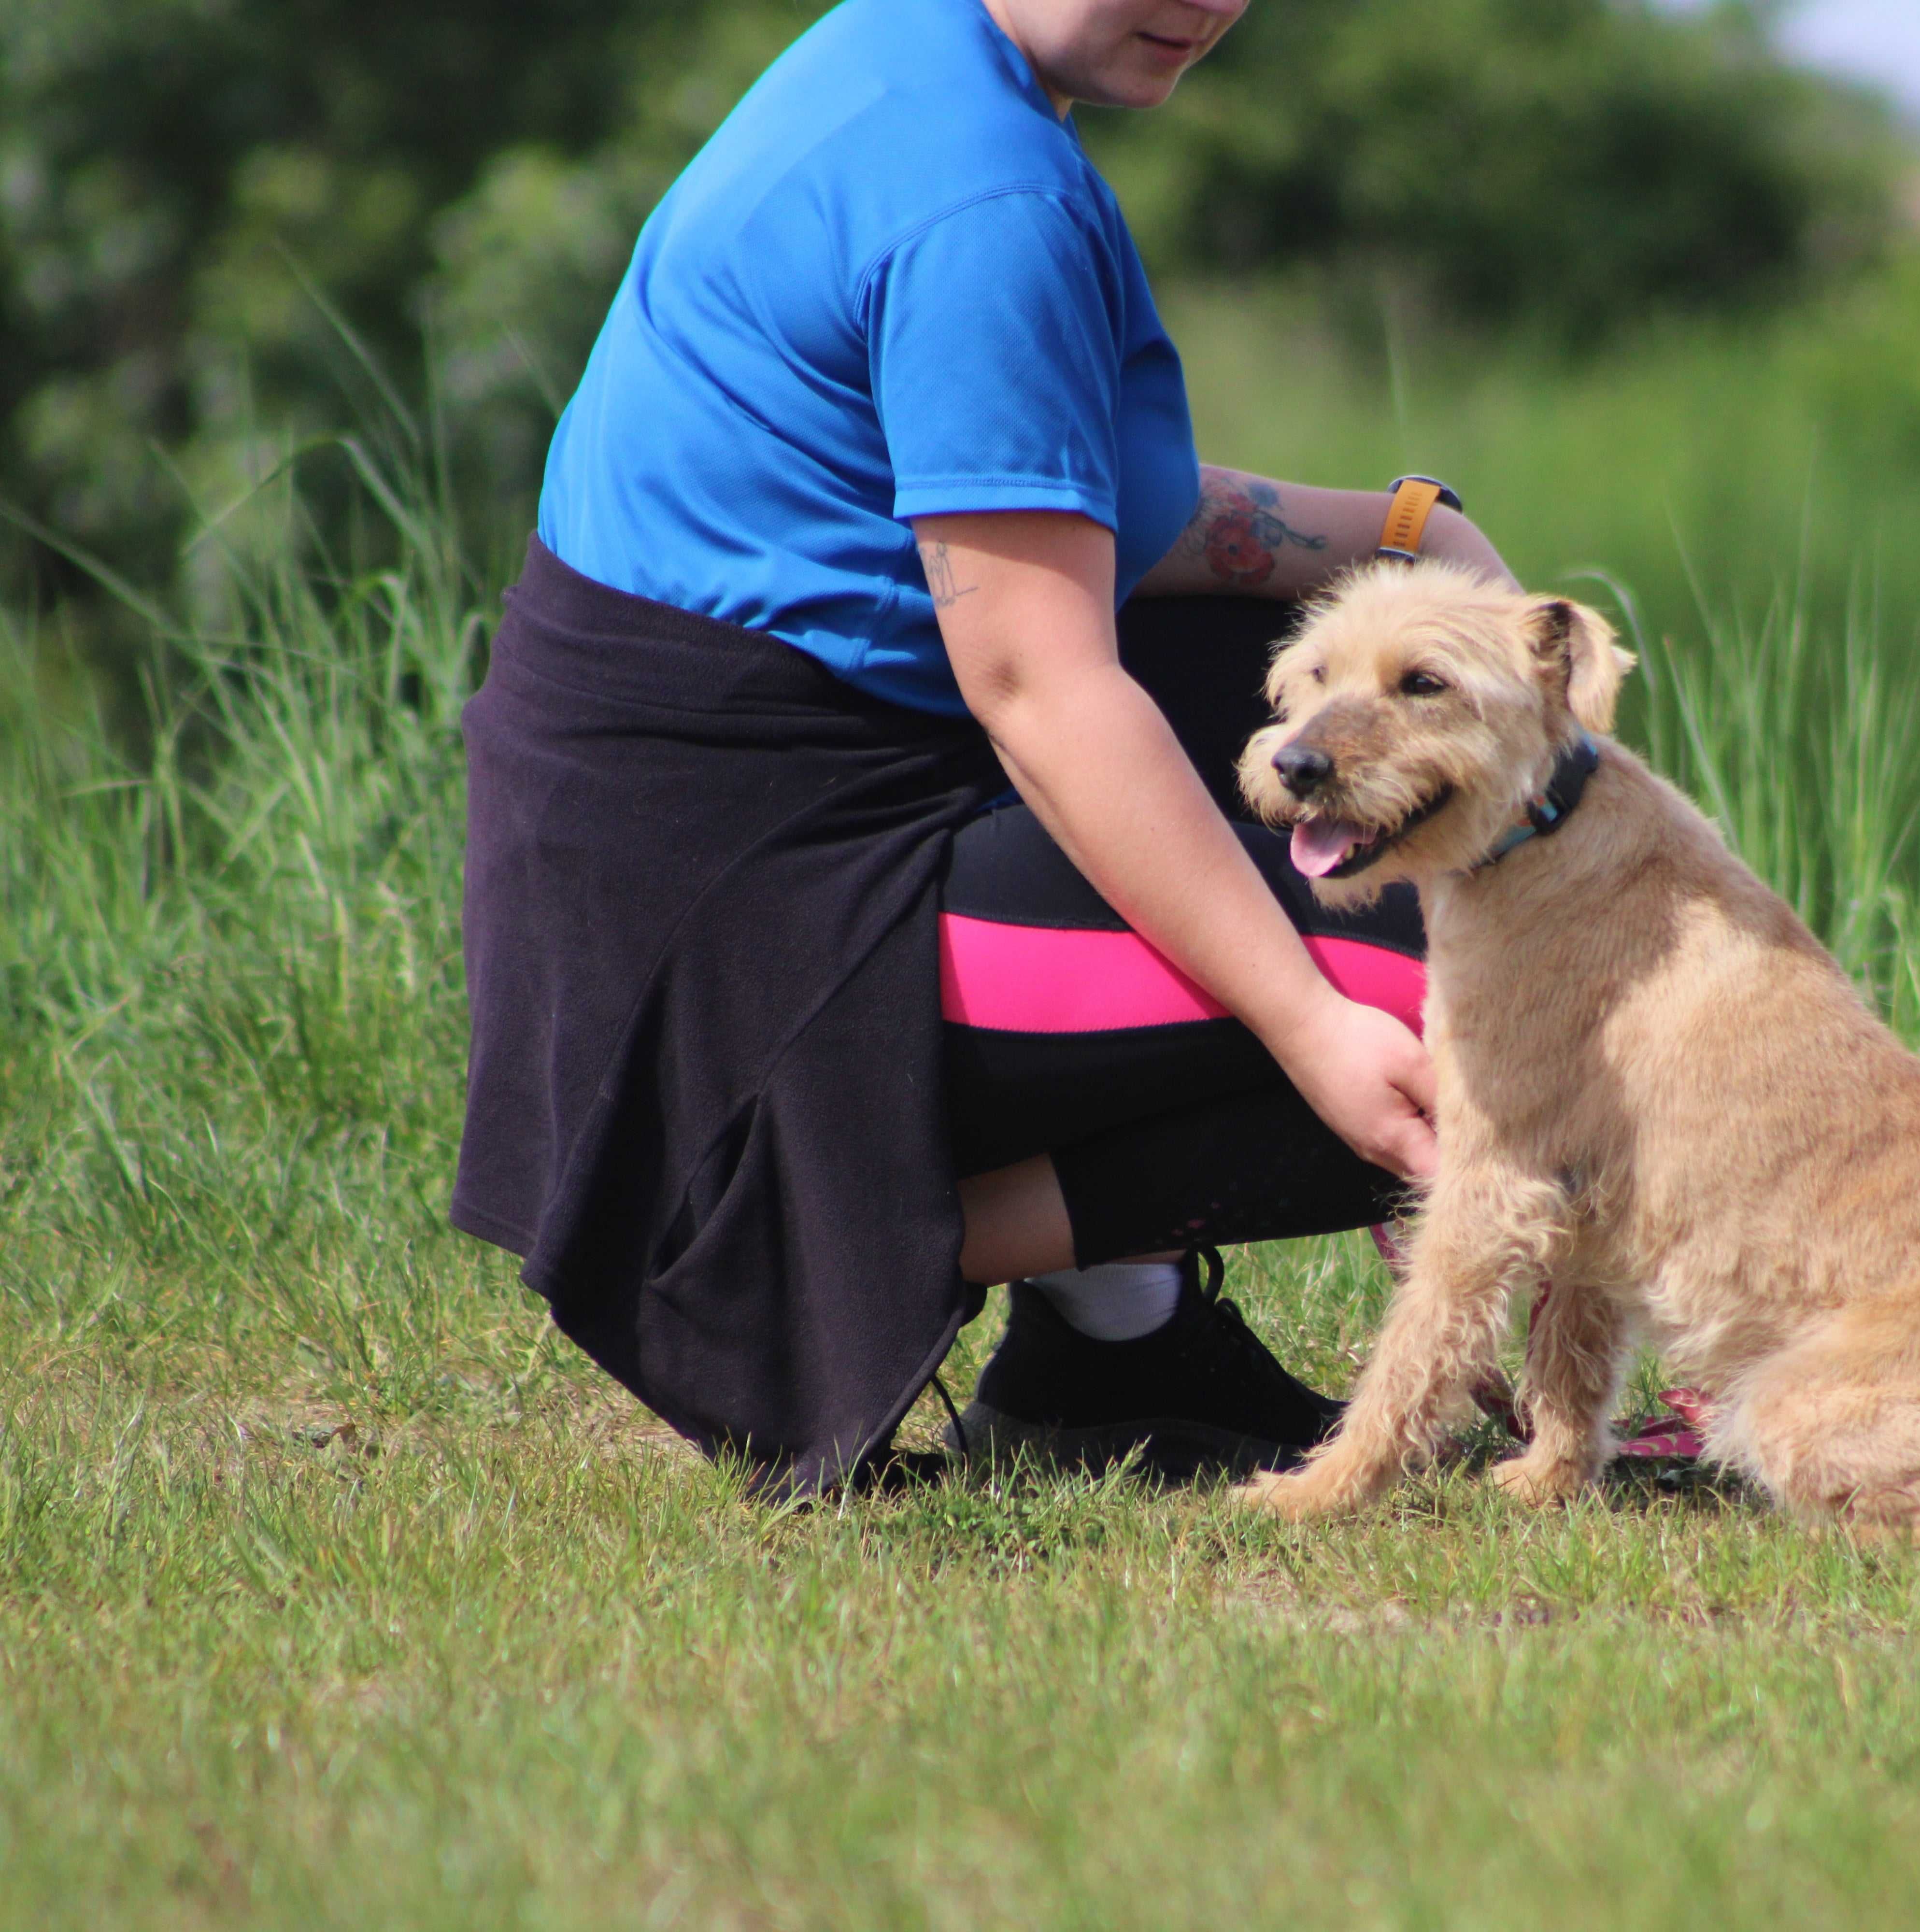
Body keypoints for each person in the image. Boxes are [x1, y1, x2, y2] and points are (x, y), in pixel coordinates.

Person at [450, 0, 1513, 1496]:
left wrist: (1399, 535)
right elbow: (1042, 691)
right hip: (738, 934)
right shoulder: (982, 197)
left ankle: (1110, 1353)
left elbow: (1053, 500)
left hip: (704, 845)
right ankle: (749, 1248)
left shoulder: (914, 53)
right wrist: (1309, 1027)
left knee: (1368, 767)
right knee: (1450, 993)